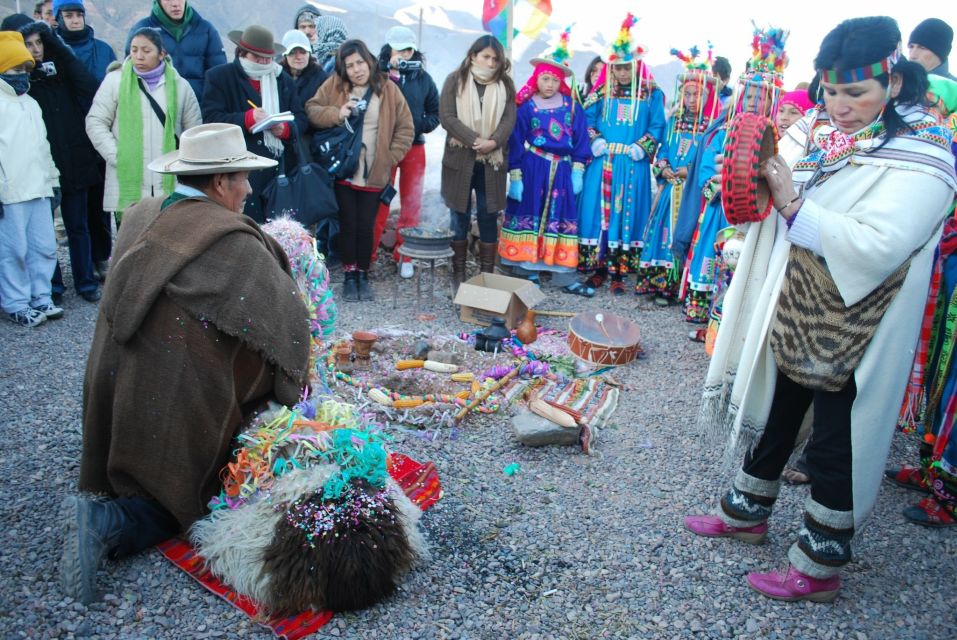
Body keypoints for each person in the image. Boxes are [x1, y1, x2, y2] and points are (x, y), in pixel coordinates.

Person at [685, 16, 957, 602]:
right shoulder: (818, 126)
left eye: (855, 93)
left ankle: (818, 565)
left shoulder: (924, 150)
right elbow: (773, 172)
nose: (840, 105)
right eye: (831, 91)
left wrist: (791, 204)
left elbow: (886, 243)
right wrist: (754, 179)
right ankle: (746, 511)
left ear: (894, 78)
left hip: (860, 316)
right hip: (799, 300)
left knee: (837, 433)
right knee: (782, 407)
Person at [59, 122, 311, 605]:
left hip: (116, 389)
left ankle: (116, 471)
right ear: (219, 183)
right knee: (197, 486)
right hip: (169, 398)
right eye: (241, 178)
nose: (248, 188)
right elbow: (288, 332)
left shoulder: (141, 212)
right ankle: (111, 523)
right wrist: (282, 390)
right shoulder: (235, 244)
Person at [675, 26, 787, 323]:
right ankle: (703, 314)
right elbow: (706, 171)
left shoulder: (777, 139)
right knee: (713, 257)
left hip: (757, 215)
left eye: (760, 97)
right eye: (748, 95)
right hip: (719, 210)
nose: (752, 102)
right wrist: (720, 189)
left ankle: (732, 320)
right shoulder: (721, 131)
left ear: (771, 101)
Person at [2, 15, 102, 303]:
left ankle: (85, 282)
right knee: (40, 235)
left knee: (78, 225)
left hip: (75, 159)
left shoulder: (60, 71)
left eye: (39, 42)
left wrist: (56, 44)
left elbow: (89, 87)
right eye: (27, 44)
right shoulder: (19, 88)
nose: (36, 50)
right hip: (39, 168)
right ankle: (52, 287)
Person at [306, 39, 414, 302]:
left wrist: (390, 157)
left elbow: (406, 128)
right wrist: (337, 112)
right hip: (344, 168)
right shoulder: (335, 85)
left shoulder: (388, 89)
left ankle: (363, 274)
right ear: (344, 68)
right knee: (347, 224)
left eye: (360, 62)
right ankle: (349, 274)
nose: (356, 69)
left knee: (366, 225)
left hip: (375, 171)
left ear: (369, 61)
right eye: (350, 65)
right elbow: (312, 110)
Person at [575, 14, 666, 296]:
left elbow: (658, 125)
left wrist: (642, 147)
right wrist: (596, 140)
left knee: (625, 213)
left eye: (628, 68)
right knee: (598, 215)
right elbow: (586, 121)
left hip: (632, 163)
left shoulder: (652, 93)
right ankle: (599, 269)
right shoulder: (601, 91)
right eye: (619, 69)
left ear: (636, 66)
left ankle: (618, 272)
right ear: (611, 68)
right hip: (603, 162)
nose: (624, 74)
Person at [499, 28, 589, 293]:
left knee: (560, 216)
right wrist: (515, 174)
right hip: (532, 166)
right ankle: (528, 270)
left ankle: (561, 272)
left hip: (561, 169)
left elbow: (581, 139)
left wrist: (578, 170)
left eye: (553, 80)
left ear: (560, 82)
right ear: (536, 79)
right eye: (544, 78)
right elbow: (515, 139)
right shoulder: (526, 106)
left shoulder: (572, 107)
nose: (548, 84)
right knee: (530, 212)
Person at [86, 27, 202, 227]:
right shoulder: (115, 81)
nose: (139, 56)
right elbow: (95, 121)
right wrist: (118, 156)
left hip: (169, 179)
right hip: (127, 176)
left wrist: (181, 163)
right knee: (131, 244)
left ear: (162, 53)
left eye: (146, 51)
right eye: (134, 49)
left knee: (168, 243)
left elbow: (193, 132)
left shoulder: (180, 86)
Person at [636, 46, 720, 304]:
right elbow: (664, 150)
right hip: (668, 189)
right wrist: (663, 166)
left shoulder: (711, 127)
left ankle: (673, 288)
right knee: (659, 233)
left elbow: (705, 160)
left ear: (709, 97)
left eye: (698, 95)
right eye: (688, 94)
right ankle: (655, 284)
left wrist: (688, 172)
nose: (692, 99)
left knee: (679, 234)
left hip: (689, 193)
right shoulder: (674, 122)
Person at [202, 25, 307, 224]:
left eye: (267, 58)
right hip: (236, 169)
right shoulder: (220, 77)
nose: (263, 62)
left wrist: (284, 129)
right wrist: (246, 119)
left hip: (276, 173)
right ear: (242, 53)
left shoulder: (282, 80)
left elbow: (301, 119)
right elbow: (210, 118)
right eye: (256, 57)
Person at [439, 35, 517, 287]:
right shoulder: (455, 80)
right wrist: (475, 140)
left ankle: (486, 275)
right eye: (486, 56)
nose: (491, 62)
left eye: (495, 59)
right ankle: (458, 272)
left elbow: (508, 119)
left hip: (492, 161)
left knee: (488, 213)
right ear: (473, 55)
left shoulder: (505, 84)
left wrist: (493, 142)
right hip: (460, 158)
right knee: (459, 214)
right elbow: (447, 116)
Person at [0, 31, 62, 327]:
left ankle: (42, 295)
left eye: (25, 69)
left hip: (39, 188)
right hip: (9, 193)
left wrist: (53, 180)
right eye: (14, 69)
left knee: (44, 246)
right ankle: (16, 302)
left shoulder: (31, 104)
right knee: (14, 251)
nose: (21, 75)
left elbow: (43, 147)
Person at [53, 0, 117, 283]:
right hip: (71, 133)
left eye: (79, 14)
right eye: (69, 15)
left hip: (102, 130)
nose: (75, 20)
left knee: (101, 200)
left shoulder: (103, 50)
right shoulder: (52, 53)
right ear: (59, 18)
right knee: (77, 203)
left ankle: (101, 256)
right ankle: (84, 260)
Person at [371, 25, 440, 279]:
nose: (404, 54)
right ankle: (369, 255)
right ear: (389, 49)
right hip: (385, 147)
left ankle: (405, 255)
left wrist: (416, 125)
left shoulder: (423, 78)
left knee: (412, 203)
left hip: (414, 146)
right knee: (378, 200)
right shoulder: (377, 75)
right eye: (398, 49)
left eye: (409, 49)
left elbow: (436, 113)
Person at [128, 0, 226, 101]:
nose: (175, 4)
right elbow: (130, 73)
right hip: (157, 108)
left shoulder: (205, 29)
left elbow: (218, 76)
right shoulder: (141, 30)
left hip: (198, 107)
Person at [279, 29, 327, 112]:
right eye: (293, 52)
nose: (299, 56)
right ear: (285, 55)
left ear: (309, 53)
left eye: (303, 51)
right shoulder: (277, 77)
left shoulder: (320, 78)